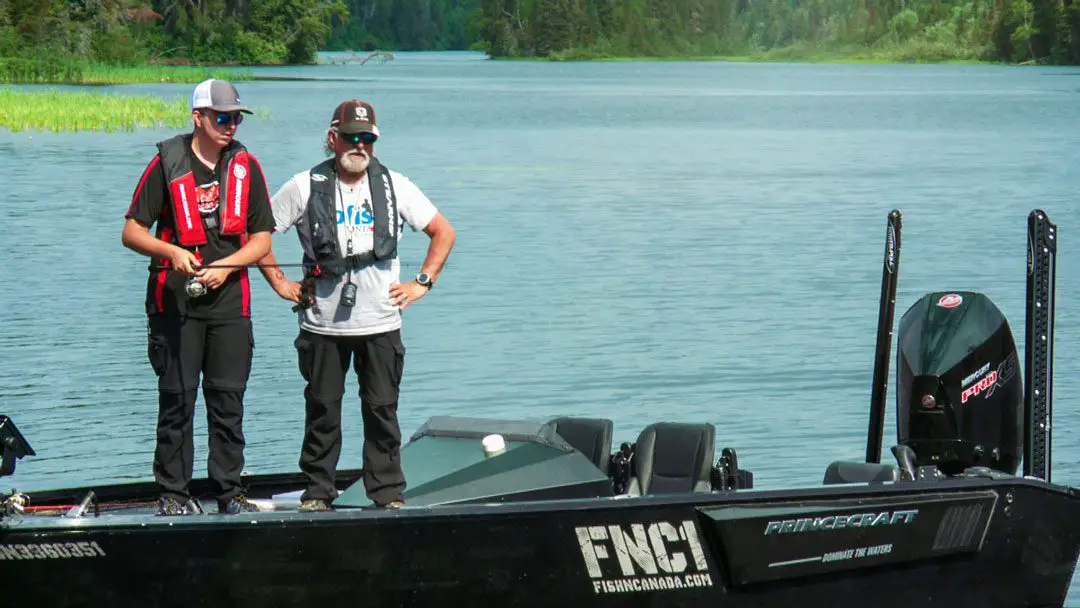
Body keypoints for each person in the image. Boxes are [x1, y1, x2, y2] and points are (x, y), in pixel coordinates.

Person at [258, 99, 456, 512]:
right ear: (333, 139)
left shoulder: (395, 185)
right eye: (352, 137)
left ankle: (387, 495)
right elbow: (258, 235)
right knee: (322, 411)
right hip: (321, 325)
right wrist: (279, 281)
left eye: (368, 138)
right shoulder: (302, 186)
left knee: (382, 410)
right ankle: (317, 493)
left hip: (380, 321)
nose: (360, 145)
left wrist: (422, 283)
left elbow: (443, 232)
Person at [121, 78, 274, 516]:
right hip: (177, 305)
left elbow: (262, 238)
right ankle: (173, 493)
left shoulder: (247, 166)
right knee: (177, 402)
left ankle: (230, 492)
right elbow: (131, 231)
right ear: (198, 118)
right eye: (222, 118)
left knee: (228, 403)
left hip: (230, 307)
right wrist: (172, 252)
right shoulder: (166, 163)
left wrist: (225, 267)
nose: (230, 126)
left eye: (235, 118)